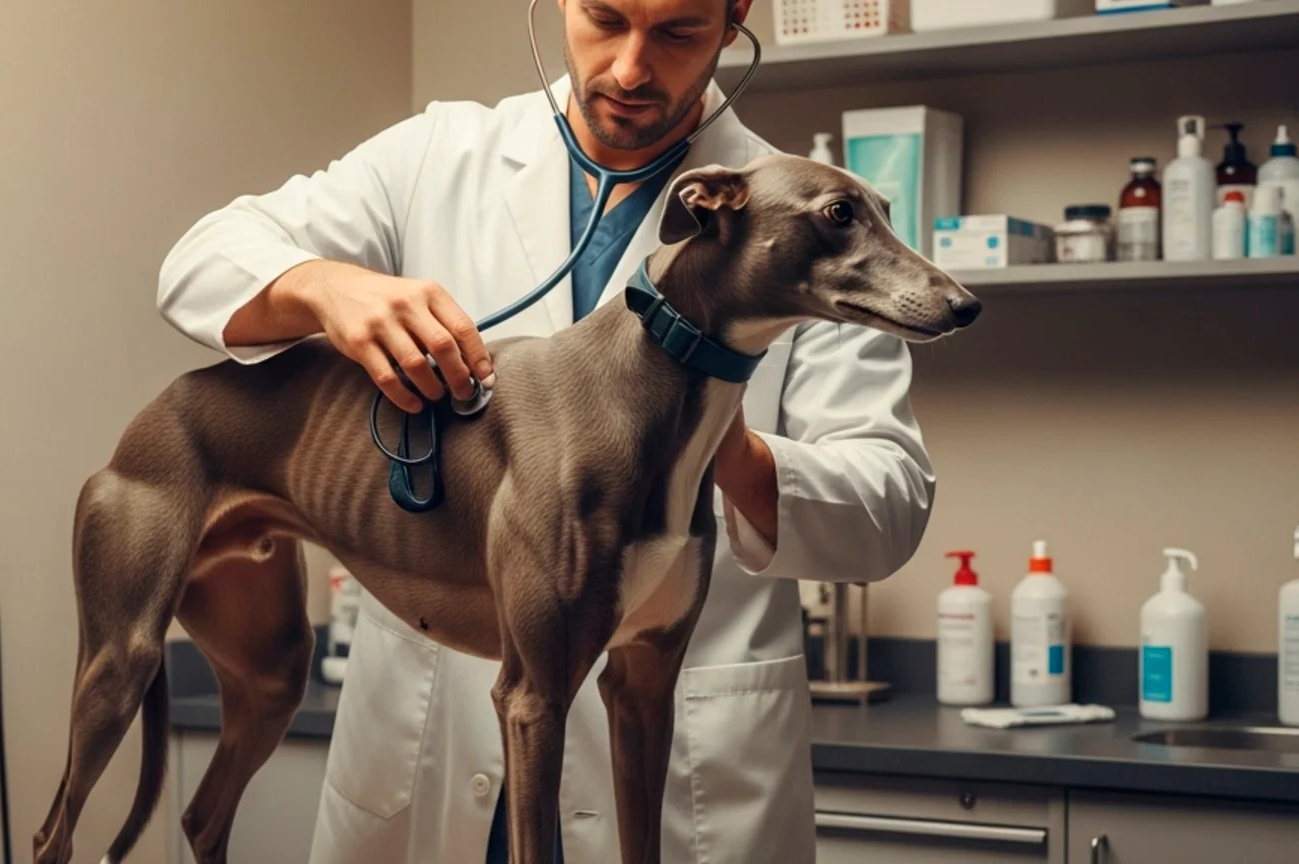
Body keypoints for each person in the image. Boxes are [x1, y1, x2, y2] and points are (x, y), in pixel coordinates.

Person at [156, 0, 935, 861]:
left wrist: (715, 434)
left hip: (675, 795)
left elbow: (887, 506)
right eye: (605, 16)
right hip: (432, 761)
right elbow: (198, 262)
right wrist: (327, 289)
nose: (632, 69)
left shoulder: (806, 221)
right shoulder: (440, 155)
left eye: (677, 32)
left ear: (734, 15)